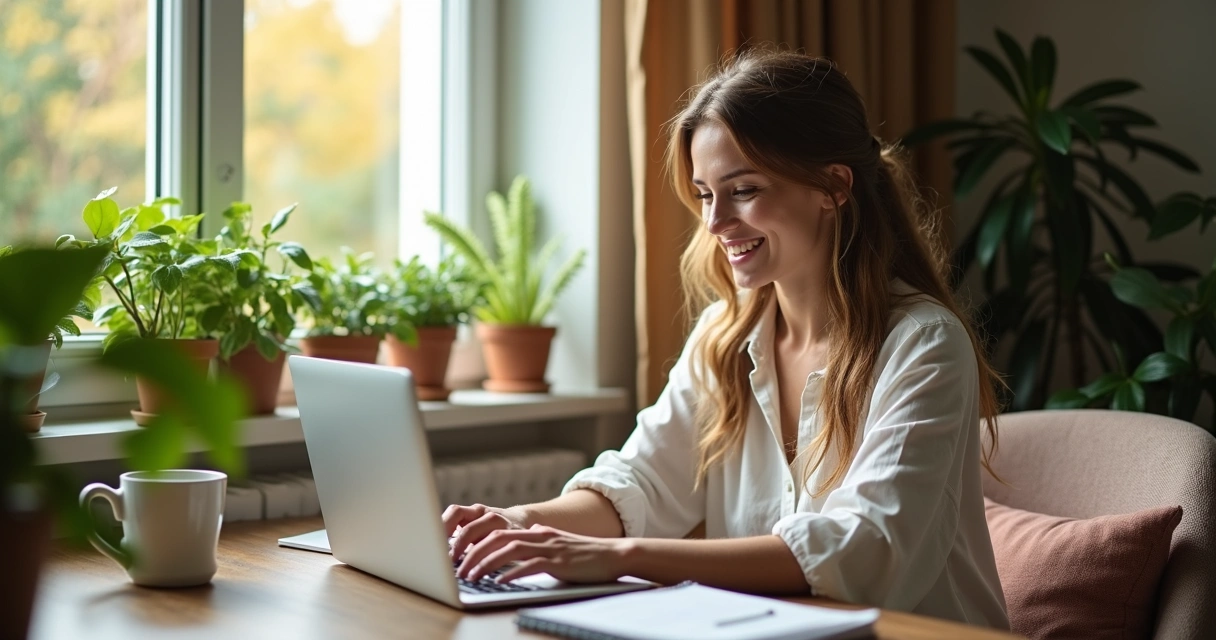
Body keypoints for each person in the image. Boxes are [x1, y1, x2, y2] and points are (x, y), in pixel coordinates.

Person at [442, 49, 1009, 629]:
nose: (714, 223)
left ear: (833, 186)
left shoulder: (924, 345)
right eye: (705, 194)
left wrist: (620, 558)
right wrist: (519, 522)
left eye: (743, 190)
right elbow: (640, 483)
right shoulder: (724, 336)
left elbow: (863, 549)